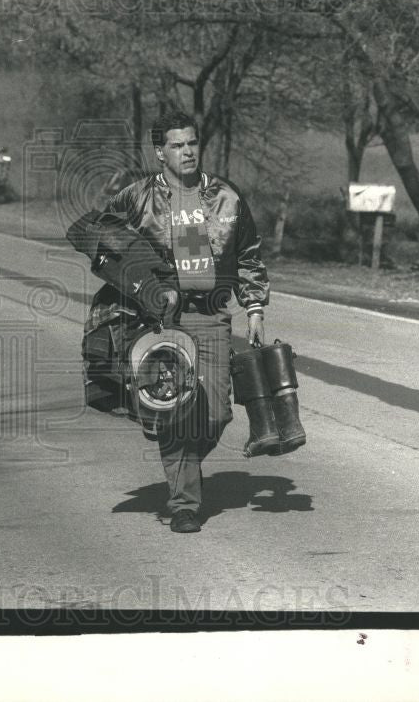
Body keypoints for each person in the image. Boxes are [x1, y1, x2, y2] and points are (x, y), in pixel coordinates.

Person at [101, 111, 269, 533]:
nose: (187, 151)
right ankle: (184, 504)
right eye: (177, 145)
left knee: (215, 415)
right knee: (176, 410)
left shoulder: (226, 197)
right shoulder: (137, 198)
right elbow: (102, 239)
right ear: (160, 153)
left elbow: (248, 253)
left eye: (192, 143)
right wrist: (141, 285)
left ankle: (181, 466)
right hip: (161, 321)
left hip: (212, 314)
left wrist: (254, 308)